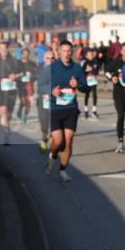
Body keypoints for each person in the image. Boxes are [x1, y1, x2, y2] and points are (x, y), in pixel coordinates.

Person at [45, 41, 88, 182]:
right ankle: (52, 156)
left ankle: (63, 170)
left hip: (70, 109)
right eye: (64, 51)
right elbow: (41, 85)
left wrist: (78, 84)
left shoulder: (77, 69)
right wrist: (52, 91)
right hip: (55, 109)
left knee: (68, 142)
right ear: (59, 51)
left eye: (69, 51)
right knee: (58, 141)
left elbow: (86, 88)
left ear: (72, 52)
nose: (67, 53)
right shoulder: (52, 68)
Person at [0, 41, 22, 146]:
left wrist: (16, 76)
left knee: (9, 115)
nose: (3, 50)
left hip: (12, 90)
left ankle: (3, 122)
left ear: (8, 49)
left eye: (5, 48)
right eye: (1, 48)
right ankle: (6, 137)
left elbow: (22, 72)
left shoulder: (14, 61)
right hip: (0, 89)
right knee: (3, 110)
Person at [103, 42, 125, 153]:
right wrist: (112, 78)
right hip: (118, 94)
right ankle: (120, 142)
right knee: (121, 117)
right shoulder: (116, 62)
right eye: (124, 51)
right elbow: (106, 71)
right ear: (121, 51)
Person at [36, 49, 55, 153]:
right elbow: (38, 85)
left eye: (52, 58)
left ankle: (52, 151)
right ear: (43, 59)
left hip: (54, 100)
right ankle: (44, 137)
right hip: (43, 100)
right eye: (48, 58)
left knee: (54, 125)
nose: (50, 60)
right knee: (44, 123)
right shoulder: (39, 69)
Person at [16, 48, 38, 125]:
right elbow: (14, 73)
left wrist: (32, 76)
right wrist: (19, 75)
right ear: (21, 54)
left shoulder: (33, 63)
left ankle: (25, 116)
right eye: (24, 53)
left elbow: (36, 74)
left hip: (30, 85)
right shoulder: (18, 63)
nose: (25, 55)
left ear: (29, 54)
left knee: (28, 102)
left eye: (27, 53)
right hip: (20, 85)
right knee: (23, 101)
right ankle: (20, 108)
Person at [80, 47, 101, 120]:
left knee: (95, 94)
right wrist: (86, 71)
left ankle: (94, 111)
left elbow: (97, 70)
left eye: (92, 54)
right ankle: (86, 110)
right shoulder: (84, 62)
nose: (91, 56)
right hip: (86, 80)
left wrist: (94, 72)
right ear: (86, 55)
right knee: (87, 94)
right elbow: (80, 71)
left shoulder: (95, 61)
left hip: (93, 80)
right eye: (89, 54)